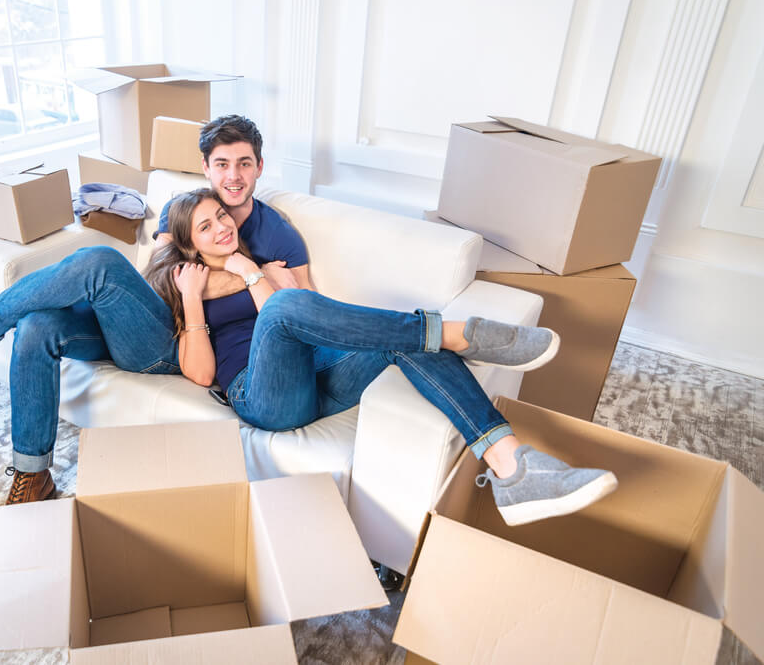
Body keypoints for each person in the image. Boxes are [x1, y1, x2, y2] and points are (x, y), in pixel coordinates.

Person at [0, 115, 314, 505]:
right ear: (206, 168)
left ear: (259, 168)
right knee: (37, 324)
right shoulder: (186, 207)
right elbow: (160, 278)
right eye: (222, 164)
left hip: (176, 343)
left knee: (100, 261)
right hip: (143, 318)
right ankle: (33, 476)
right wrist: (246, 274)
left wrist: (244, 273)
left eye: (244, 164)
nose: (233, 176)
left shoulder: (279, 235)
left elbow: (304, 305)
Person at [143, 188, 618, 527]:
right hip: (262, 394)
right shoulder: (185, 286)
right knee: (291, 308)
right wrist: (193, 296)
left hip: (318, 372)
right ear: (189, 245)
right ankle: (456, 333)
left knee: (401, 338)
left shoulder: (262, 266)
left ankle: (514, 468)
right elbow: (203, 371)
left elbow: (282, 310)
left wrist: (248, 270)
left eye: (221, 216)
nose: (222, 226)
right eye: (206, 226)